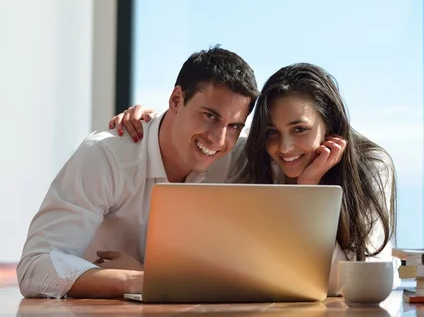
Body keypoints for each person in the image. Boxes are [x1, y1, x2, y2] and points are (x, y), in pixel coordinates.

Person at [111, 63, 398, 295]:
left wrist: (307, 191)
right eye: (272, 132)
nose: (284, 148)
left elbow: (361, 281)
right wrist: (150, 120)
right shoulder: (259, 160)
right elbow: (232, 264)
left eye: (300, 129)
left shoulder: (371, 166)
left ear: (331, 126)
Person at [17, 46, 260, 299]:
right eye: (209, 115)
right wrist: (136, 280)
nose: (219, 140)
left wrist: (151, 276)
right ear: (176, 100)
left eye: (234, 126)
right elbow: (34, 269)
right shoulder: (106, 156)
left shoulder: (237, 158)